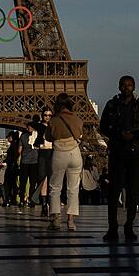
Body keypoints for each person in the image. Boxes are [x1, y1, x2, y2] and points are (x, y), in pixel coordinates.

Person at [99, 75, 139, 242]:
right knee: (114, 191)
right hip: (117, 151)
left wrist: (134, 135)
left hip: (134, 152)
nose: (126, 88)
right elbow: (103, 127)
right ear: (119, 87)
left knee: (132, 192)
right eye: (123, 85)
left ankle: (129, 226)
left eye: (129, 85)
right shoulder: (111, 105)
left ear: (134, 87)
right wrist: (118, 135)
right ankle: (112, 227)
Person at [45, 93, 84, 231]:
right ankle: (71, 221)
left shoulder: (53, 120)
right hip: (75, 153)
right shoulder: (77, 119)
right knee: (73, 189)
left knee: (55, 188)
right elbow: (80, 135)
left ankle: (55, 220)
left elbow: (48, 137)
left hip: (59, 153)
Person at [34, 109, 54, 216]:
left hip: (52, 152)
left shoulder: (54, 127)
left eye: (50, 115)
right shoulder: (38, 127)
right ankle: (44, 206)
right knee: (43, 180)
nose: (47, 117)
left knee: (52, 180)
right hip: (43, 153)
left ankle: (51, 205)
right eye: (45, 115)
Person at [19, 124, 39, 207]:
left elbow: (19, 150)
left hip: (25, 161)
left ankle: (21, 200)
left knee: (23, 183)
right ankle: (31, 200)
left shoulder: (23, 136)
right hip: (34, 161)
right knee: (32, 183)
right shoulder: (37, 135)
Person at [3, 132, 19, 206]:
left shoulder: (13, 146)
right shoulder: (16, 145)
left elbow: (10, 158)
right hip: (14, 167)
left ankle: (8, 199)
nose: (7, 138)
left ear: (11, 137)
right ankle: (13, 199)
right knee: (13, 184)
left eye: (8, 137)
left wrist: (4, 162)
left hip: (11, 168)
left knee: (7, 184)